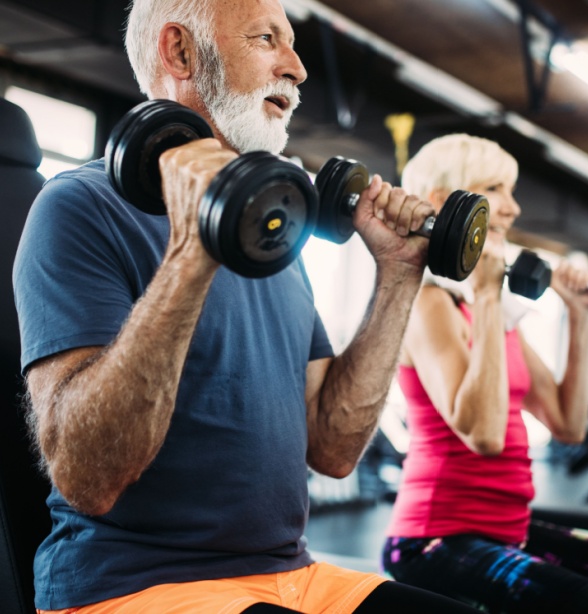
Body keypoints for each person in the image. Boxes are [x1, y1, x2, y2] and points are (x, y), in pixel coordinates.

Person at [11, 2, 487, 613]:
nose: (297, 68)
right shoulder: (77, 208)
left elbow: (334, 450)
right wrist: (192, 250)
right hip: (132, 587)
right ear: (180, 53)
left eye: (291, 43)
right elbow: (87, 478)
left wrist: (398, 273)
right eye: (267, 39)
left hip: (292, 576)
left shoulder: (274, 235)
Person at [380, 133, 588, 614]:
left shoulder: (495, 316)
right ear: (445, 202)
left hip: (510, 529)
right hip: (437, 540)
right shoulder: (430, 303)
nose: (513, 208)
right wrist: (486, 295)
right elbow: (482, 434)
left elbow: (568, 425)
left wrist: (581, 317)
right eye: (496, 189)